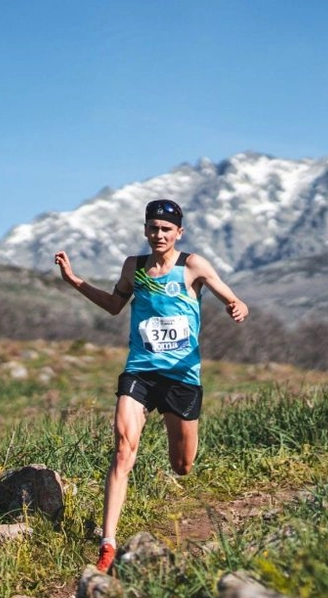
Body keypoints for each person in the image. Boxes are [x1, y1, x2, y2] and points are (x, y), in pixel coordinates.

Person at [54, 198, 249, 574]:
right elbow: (114, 305)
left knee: (183, 465)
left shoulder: (192, 266)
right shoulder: (135, 267)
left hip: (181, 376)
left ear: (179, 233)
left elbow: (231, 296)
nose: (158, 234)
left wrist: (237, 306)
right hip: (140, 371)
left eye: (166, 229)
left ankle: (177, 465)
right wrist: (74, 281)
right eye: (153, 228)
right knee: (124, 450)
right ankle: (108, 544)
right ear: (145, 230)